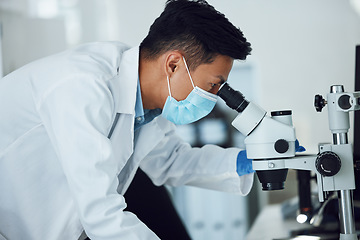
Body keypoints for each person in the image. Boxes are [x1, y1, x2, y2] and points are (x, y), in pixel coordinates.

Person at [0, 0, 254, 239]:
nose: (212, 97)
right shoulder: (84, 86)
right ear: (174, 64)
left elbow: (171, 161)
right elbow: (100, 212)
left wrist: (251, 160)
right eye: (211, 85)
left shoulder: (148, 105)